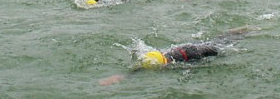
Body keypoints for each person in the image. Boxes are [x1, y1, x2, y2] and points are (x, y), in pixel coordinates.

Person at [99, 26, 254, 85]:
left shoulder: (179, 62)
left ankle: (243, 32)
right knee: (219, 39)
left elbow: (207, 53)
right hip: (187, 47)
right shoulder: (164, 55)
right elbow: (145, 66)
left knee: (223, 44)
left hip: (200, 51)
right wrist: (123, 76)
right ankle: (236, 32)